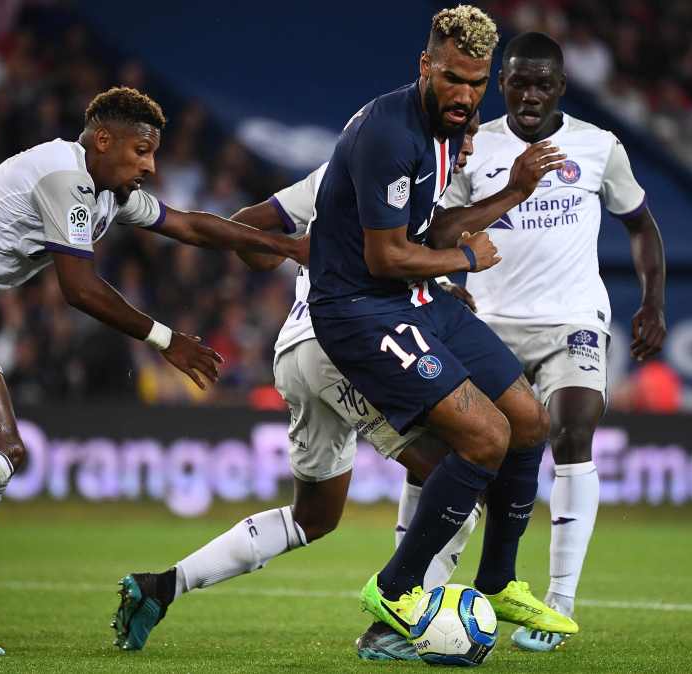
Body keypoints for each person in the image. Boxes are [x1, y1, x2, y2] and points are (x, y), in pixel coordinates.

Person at [110, 100, 572, 657]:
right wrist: (297, 250)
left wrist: (304, 253)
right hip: (341, 348)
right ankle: (398, 625)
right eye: (466, 133)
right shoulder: (390, 166)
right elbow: (266, 235)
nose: (469, 144)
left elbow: (255, 230)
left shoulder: (356, 171)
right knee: (464, 467)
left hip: (303, 348)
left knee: (315, 516)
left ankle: (160, 587)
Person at [0, 86, 306, 655]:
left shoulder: (107, 193)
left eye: (154, 153)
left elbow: (192, 226)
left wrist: (286, 248)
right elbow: (78, 288)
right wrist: (167, 340)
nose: (150, 165)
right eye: (141, 151)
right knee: (0, 450)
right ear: (103, 140)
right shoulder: (65, 175)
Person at [304, 5, 575, 643]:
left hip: (412, 297)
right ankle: (394, 589)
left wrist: (511, 194)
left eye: (477, 82)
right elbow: (386, 256)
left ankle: (499, 582)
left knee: (530, 421)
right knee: (484, 438)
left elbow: (433, 231)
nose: (464, 95)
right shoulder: (390, 136)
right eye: (452, 78)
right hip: (358, 311)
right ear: (425, 66)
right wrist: (466, 260)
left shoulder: (450, 131)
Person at [421, 31, 668, 651]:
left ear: (561, 87)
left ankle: (556, 602)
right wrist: (453, 271)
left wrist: (653, 302)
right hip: (490, 324)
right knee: (459, 448)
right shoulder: (473, 148)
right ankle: (419, 593)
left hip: (573, 320)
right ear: (502, 84)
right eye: (519, 82)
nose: (530, 94)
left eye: (543, 84)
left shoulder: (598, 146)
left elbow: (641, 225)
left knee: (573, 430)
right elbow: (440, 228)